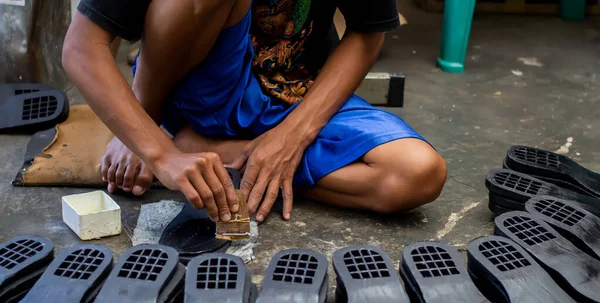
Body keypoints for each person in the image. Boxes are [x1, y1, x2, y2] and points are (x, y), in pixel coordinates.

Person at [62, 0, 447, 224]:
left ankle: (227, 153)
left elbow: (367, 32)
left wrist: (292, 136)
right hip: (204, 91)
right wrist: (152, 147)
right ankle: (162, 123)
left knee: (417, 174)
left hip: (299, 92)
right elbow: (82, 45)